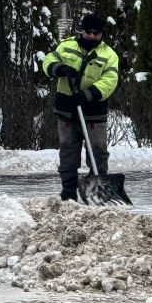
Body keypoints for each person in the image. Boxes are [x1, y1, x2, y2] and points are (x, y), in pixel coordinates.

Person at [41, 13, 120, 201]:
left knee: (98, 151)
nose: (92, 36)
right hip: (67, 109)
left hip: (94, 112)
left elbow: (110, 80)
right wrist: (59, 68)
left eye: (97, 33)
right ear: (82, 31)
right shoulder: (66, 46)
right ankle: (68, 191)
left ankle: (96, 192)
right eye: (88, 32)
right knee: (68, 150)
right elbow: (48, 61)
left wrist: (87, 94)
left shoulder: (108, 54)